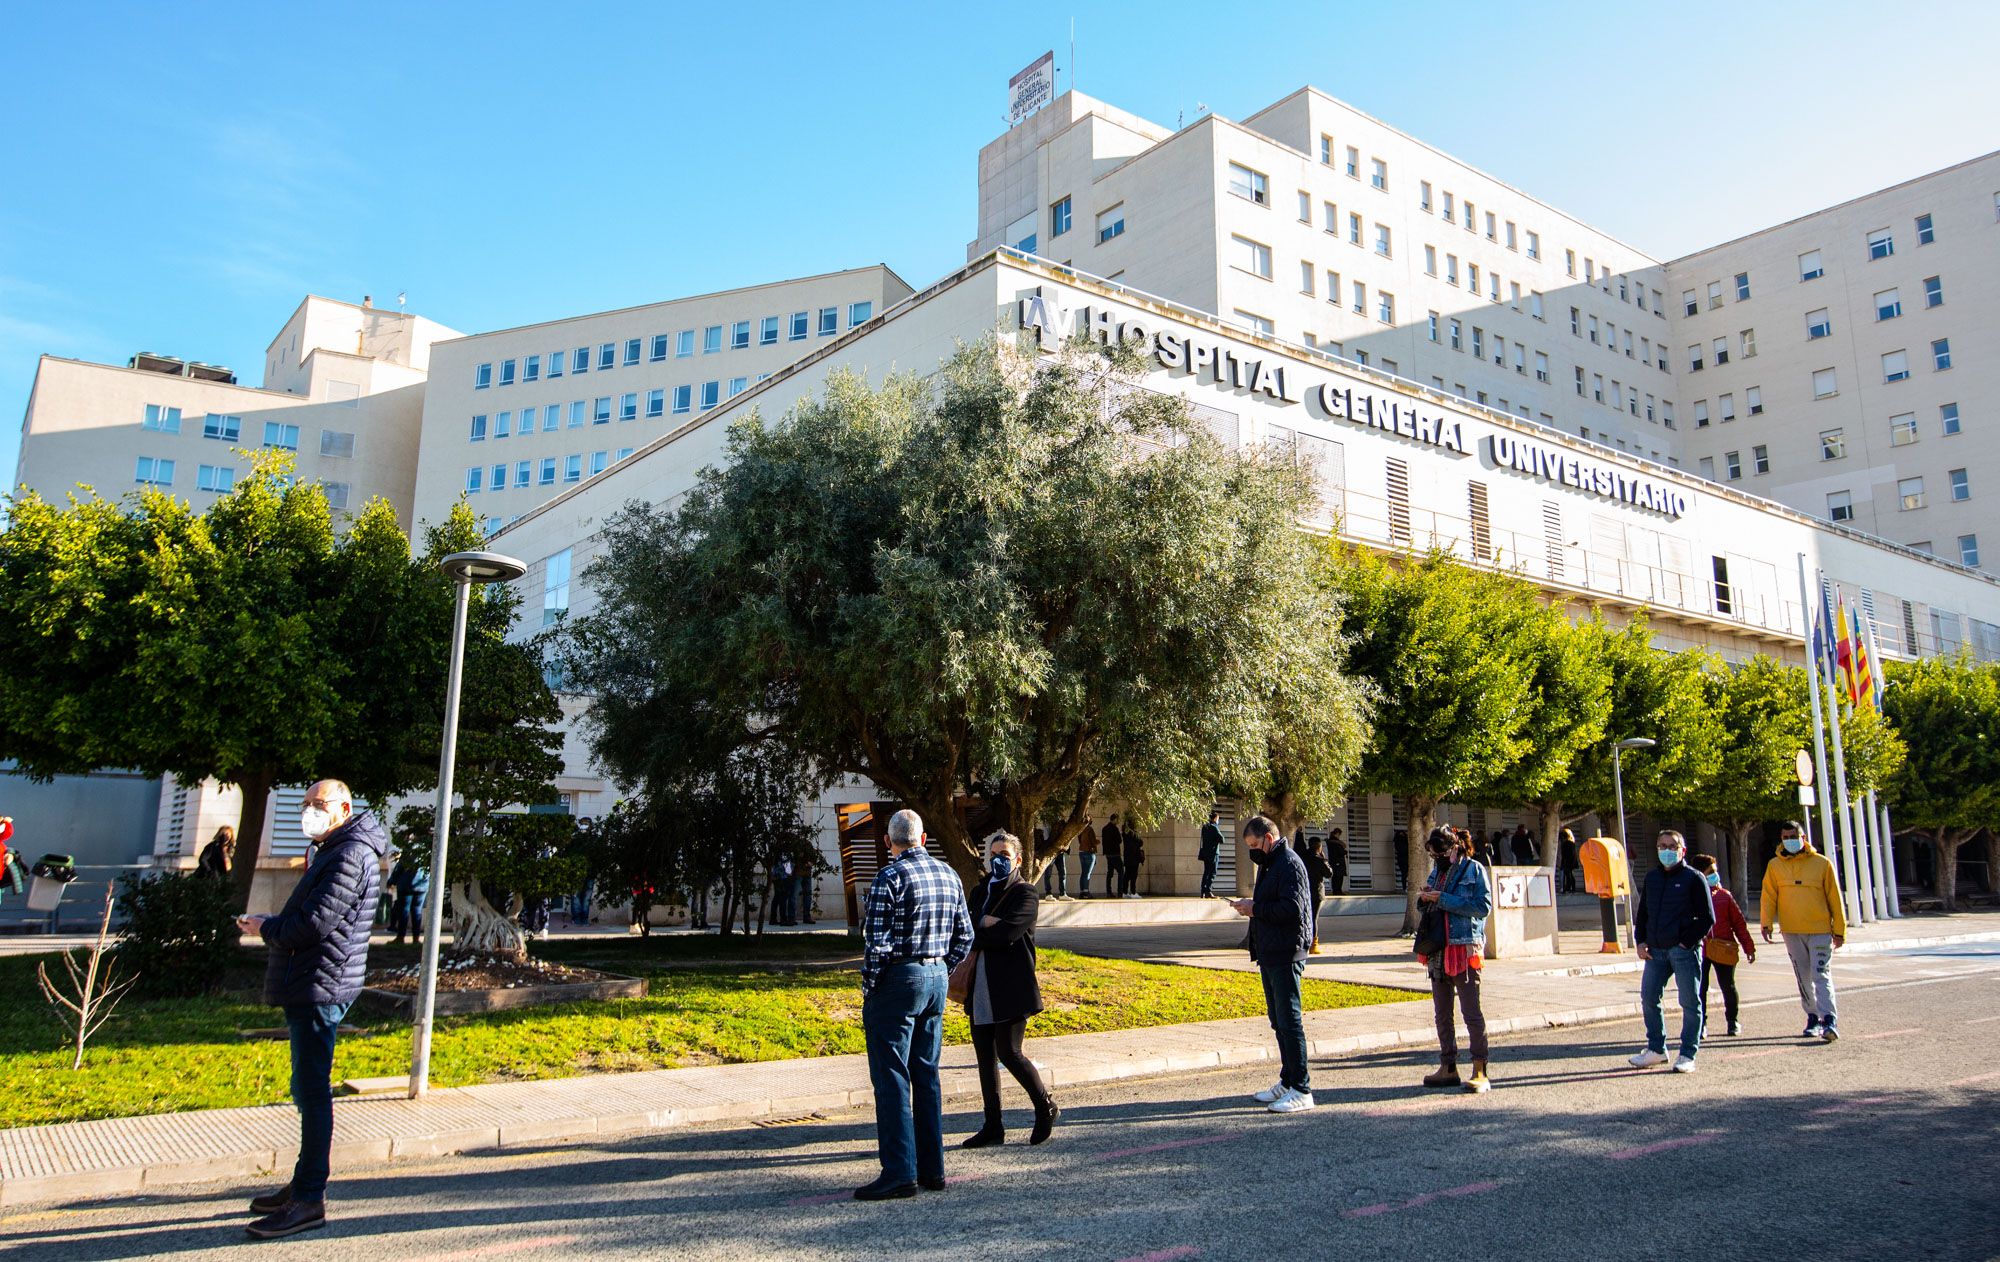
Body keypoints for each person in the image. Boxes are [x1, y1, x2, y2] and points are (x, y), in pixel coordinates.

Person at [235, 779, 386, 1239]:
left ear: (344, 807)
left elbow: (314, 923)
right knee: (307, 1089)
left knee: (313, 1092)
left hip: (322, 983)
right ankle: (303, 1185)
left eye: (318, 805)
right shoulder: (332, 850)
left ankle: (308, 1200)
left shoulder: (348, 855)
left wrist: (265, 926)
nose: (309, 812)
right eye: (305, 804)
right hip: (313, 980)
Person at [857, 809, 973, 1200]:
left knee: (891, 1076)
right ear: (923, 839)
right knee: (926, 1073)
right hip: (936, 975)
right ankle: (932, 1169)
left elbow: (876, 944)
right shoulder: (949, 876)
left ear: (889, 842)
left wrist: (871, 988)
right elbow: (965, 934)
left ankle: (899, 1171)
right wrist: (943, 967)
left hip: (899, 978)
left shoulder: (888, 878)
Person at [959, 831, 1059, 1148]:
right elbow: (966, 928)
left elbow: (1008, 934)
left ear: (1017, 859)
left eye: (1005, 854)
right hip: (980, 986)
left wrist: (985, 926)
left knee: (1010, 1053)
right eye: (994, 854)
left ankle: (1045, 1106)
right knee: (985, 1059)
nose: (998, 859)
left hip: (1012, 987)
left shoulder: (1025, 893)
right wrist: (986, 923)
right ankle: (993, 1126)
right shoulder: (978, 892)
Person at [1231, 815, 1314, 1113]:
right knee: (1278, 1020)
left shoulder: (1288, 863)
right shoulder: (1270, 864)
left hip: (1286, 950)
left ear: (1268, 837)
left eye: (1254, 844)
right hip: (1270, 951)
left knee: (1290, 1020)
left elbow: (1292, 908)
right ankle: (1288, 1079)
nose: (1252, 851)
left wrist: (1255, 908)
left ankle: (1302, 1089)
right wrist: (1251, 908)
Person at [1628, 830, 1714, 1073]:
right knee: (1649, 998)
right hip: (1655, 951)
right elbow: (1643, 913)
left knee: (1689, 1002)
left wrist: (1686, 942)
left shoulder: (1694, 878)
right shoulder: (1653, 878)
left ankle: (1687, 1054)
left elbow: (1707, 918)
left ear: (1682, 850)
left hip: (1682, 951)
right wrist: (1640, 940)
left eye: (1672, 846)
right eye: (1661, 846)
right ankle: (1656, 1049)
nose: (1666, 850)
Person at [1417, 826, 1493, 1092]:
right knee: (1442, 1013)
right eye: (1433, 852)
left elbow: (1483, 907)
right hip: (1438, 947)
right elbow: (1430, 903)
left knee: (1471, 1011)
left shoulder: (1474, 869)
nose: (1436, 856)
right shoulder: (1438, 871)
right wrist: (1425, 897)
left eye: (1440, 851)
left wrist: (1444, 899)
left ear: (1454, 848)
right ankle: (1448, 1066)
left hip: (1463, 948)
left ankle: (1480, 1069)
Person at [1760, 820, 1847, 1042]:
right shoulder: (1774, 865)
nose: (1789, 840)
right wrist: (1766, 923)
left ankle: (1829, 1018)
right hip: (1791, 930)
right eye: (1785, 837)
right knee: (1802, 976)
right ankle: (1812, 1016)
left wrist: (1839, 930)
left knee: (1821, 974)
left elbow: (1835, 898)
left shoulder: (1822, 864)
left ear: (1803, 837)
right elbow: (1769, 896)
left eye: (1793, 836)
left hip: (1819, 930)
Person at [1690, 854, 1755, 1036]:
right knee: (1699, 988)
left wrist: (1748, 947)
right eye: (1711, 872)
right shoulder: (1690, 896)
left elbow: (1739, 924)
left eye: (1715, 871)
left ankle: (1732, 1021)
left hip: (1724, 947)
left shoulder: (1724, 896)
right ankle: (1701, 1024)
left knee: (1728, 986)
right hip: (1700, 949)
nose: (1715, 875)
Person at [386, 845, 428, 946]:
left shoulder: (408, 851)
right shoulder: (427, 852)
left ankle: (401, 937)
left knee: (404, 911)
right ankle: (416, 938)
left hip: (406, 885)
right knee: (417, 911)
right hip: (421, 885)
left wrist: (391, 881)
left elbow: (399, 868)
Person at [1297, 831, 1330, 954]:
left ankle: (1302, 941)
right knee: (1313, 918)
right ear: (1319, 846)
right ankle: (1313, 944)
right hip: (1316, 892)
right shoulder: (1319, 859)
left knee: (1303, 917)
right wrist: (1324, 858)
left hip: (1303, 891)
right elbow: (1329, 873)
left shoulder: (1302, 856)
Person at [1037, 826, 1069, 900]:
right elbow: (1046, 838)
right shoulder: (1047, 825)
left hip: (1060, 851)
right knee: (1048, 873)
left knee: (1062, 872)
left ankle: (1063, 893)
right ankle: (1048, 893)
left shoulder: (1060, 824)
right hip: (1051, 851)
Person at [1198, 811, 1225, 898]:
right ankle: (1208, 891)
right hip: (1213, 854)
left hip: (1206, 854)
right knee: (1212, 872)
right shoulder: (1214, 828)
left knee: (1206, 872)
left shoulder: (1205, 827)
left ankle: (1203, 891)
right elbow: (1222, 839)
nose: (1218, 820)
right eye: (1218, 819)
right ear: (1215, 818)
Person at [1101, 815, 1125, 898]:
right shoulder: (1115, 829)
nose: (1118, 821)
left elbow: (1103, 842)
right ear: (1114, 819)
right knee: (1121, 871)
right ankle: (1120, 892)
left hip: (1108, 854)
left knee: (1110, 873)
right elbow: (1119, 840)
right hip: (1115, 853)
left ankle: (1109, 891)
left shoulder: (1104, 829)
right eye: (1117, 820)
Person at [1077, 817, 1099, 898]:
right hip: (1089, 852)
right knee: (1087, 873)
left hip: (1081, 852)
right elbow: (1093, 841)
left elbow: (1080, 841)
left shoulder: (1081, 830)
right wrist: (1098, 842)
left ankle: (1082, 891)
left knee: (1083, 872)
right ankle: (1086, 892)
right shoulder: (1090, 829)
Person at [773, 852, 798, 925]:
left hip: (779, 877)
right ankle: (783, 919)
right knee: (782, 899)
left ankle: (775, 918)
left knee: (778, 898)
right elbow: (788, 870)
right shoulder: (786, 853)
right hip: (783, 878)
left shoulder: (778, 851)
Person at [1122, 828, 1145, 898]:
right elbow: (1140, 842)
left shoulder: (1125, 834)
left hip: (1127, 859)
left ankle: (1125, 892)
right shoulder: (1134, 835)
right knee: (1133, 876)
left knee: (1127, 876)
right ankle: (1133, 892)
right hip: (1134, 859)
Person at [1325, 827, 1348, 896]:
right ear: (1337, 833)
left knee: (1335, 877)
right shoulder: (1335, 842)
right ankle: (1338, 891)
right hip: (1338, 862)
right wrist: (1345, 852)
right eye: (1339, 834)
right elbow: (1339, 852)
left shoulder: (1330, 841)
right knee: (1339, 877)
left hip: (1333, 862)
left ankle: (1336, 891)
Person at [1557, 827, 1580, 894]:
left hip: (1568, 862)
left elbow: (1565, 854)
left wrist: (1563, 863)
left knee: (1568, 875)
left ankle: (1568, 888)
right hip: (1571, 861)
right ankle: (1570, 888)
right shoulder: (1571, 843)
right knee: (1569, 875)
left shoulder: (1566, 844)